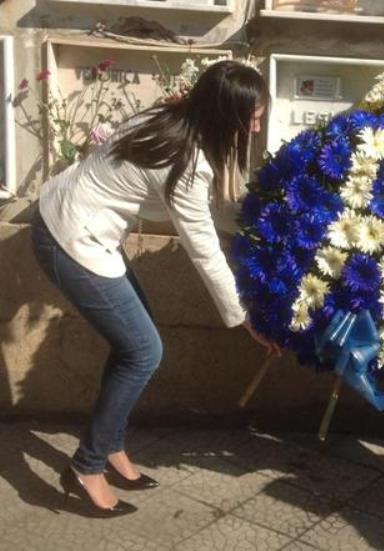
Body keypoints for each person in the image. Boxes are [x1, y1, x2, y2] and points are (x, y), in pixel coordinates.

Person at [30, 60, 281, 518]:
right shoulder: (186, 161)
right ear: (225, 114)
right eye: (253, 117)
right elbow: (202, 248)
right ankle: (86, 466)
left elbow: (216, 210)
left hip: (78, 220)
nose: (257, 125)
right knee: (144, 352)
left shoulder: (173, 119)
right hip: (70, 236)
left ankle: (110, 447)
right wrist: (244, 315)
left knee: (134, 346)